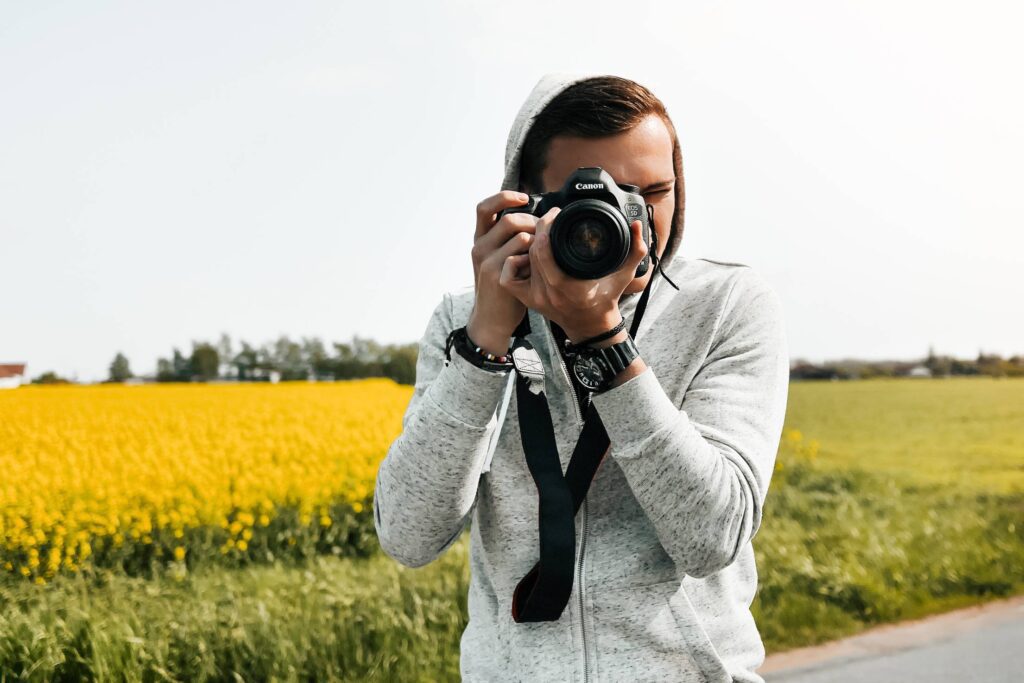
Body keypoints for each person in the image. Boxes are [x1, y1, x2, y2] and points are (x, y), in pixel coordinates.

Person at [374, 72, 789, 682]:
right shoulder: (465, 319)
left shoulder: (725, 304)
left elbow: (711, 537)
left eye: (655, 192)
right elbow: (409, 537)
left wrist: (605, 343)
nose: (633, 220)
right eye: (598, 197)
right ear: (524, 200)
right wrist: (485, 341)